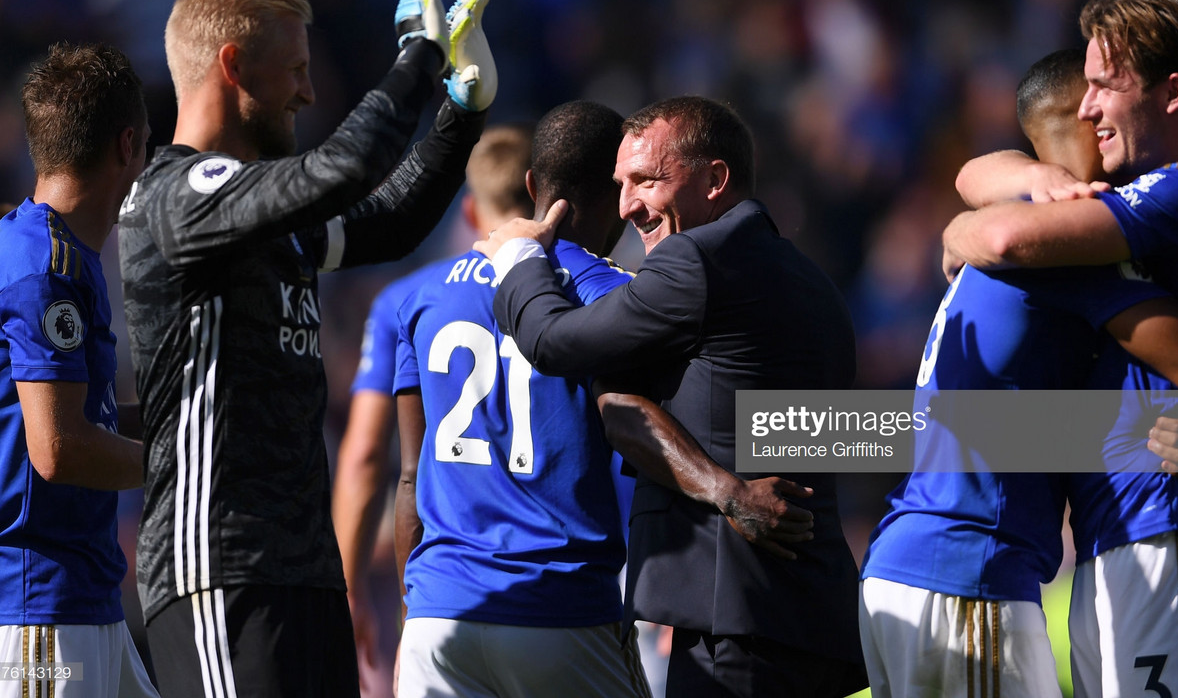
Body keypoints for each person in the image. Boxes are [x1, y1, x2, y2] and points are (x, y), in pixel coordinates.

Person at [117, 0, 496, 697]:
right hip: (219, 567)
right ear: (232, 66)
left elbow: (384, 223)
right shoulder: (179, 193)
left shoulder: (253, 209)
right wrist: (415, 56)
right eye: (294, 70)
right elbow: (346, 170)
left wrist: (461, 114)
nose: (309, 91)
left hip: (301, 568)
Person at [861, 46, 1178, 698]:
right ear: (1083, 119)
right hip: (969, 571)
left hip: (917, 560)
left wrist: (962, 224)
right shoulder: (1060, 251)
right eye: (1098, 105)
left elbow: (978, 199)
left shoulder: (1013, 227)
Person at [477, 95, 867, 698]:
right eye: (620, 184)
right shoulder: (811, 282)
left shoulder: (695, 261)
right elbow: (803, 431)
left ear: (715, 180)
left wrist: (519, 258)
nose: (628, 204)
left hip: (734, 621)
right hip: (810, 614)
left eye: (647, 181)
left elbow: (554, 342)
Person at [378, 100, 653, 698]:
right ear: (619, 192)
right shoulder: (613, 293)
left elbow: (407, 477)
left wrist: (412, 618)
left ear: (532, 183)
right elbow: (652, 430)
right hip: (561, 606)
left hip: (439, 616)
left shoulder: (423, 296)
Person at [0, 42, 157, 697]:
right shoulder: (42, 267)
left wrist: (177, 417)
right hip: (33, 613)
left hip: (75, 600)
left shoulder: (48, 250)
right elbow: (58, 448)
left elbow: (82, 419)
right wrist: (188, 467)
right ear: (128, 146)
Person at [331, 122, 536, 693]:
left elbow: (368, 453)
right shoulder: (584, 289)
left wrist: (349, 591)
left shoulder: (405, 299)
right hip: (559, 595)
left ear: (470, 211)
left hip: (447, 598)